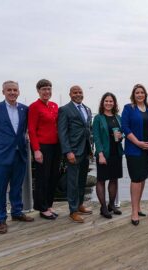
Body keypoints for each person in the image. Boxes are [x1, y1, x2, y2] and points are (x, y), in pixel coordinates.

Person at [0, 80, 34, 234]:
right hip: (0, 156)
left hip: (19, 155)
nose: (12, 92)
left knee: (17, 186)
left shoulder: (24, 109)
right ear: (3, 91)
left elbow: (24, 130)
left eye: (15, 90)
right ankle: (0, 219)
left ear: (19, 92)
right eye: (9, 90)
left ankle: (17, 212)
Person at [121, 83, 148, 226]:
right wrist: (138, 143)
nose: (140, 95)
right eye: (137, 93)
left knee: (143, 178)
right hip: (134, 150)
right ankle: (134, 211)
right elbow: (125, 127)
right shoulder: (128, 108)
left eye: (142, 92)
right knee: (136, 179)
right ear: (133, 95)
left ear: (145, 94)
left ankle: (139, 206)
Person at [58, 85, 93, 223]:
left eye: (80, 92)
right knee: (72, 182)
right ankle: (73, 211)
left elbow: (88, 130)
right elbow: (62, 132)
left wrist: (91, 150)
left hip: (85, 150)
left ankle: (79, 205)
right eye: (75, 92)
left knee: (81, 180)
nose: (78, 94)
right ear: (70, 94)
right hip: (73, 151)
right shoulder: (65, 110)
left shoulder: (87, 109)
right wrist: (67, 151)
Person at [28, 79, 60, 220]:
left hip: (56, 146)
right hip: (43, 147)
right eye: (44, 89)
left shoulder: (54, 105)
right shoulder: (34, 107)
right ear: (38, 91)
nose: (47, 92)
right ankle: (42, 207)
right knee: (42, 178)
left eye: (49, 89)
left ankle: (48, 204)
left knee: (53, 177)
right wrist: (36, 150)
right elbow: (32, 130)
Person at [93, 92, 124, 219]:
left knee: (114, 178)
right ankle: (103, 207)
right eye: (106, 101)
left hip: (116, 152)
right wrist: (100, 154)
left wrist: (122, 136)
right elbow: (96, 137)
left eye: (111, 101)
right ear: (102, 102)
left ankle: (111, 204)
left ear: (114, 103)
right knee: (101, 179)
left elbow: (122, 133)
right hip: (104, 153)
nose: (109, 103)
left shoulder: (118, 117)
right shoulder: (98, 118)